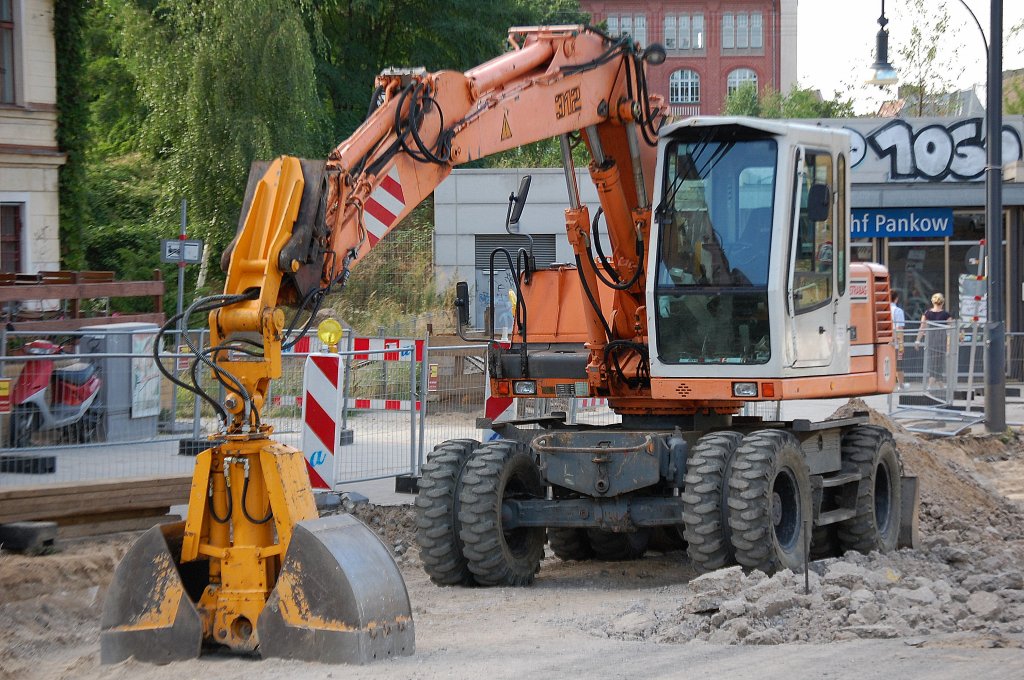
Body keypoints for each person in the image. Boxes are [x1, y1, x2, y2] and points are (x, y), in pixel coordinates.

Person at [915, 292, 953, 389]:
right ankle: (935, 383)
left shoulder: (927, 314)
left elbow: (922, 328)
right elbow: (951, 329)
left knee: (933, 361)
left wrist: (918, 341)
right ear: (943, 302)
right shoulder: (946, 314)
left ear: (933, 302)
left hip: (930, 341)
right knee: (939, 362)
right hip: (941, 341)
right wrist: (950, 343)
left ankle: (935, 383)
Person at [890, 290, 907, 388]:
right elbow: (899, 328)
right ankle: (901, 385)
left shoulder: (882, 309)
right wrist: (901, 344)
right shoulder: (898, 311)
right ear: (896, 299)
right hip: (896, 342)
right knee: (899, 364)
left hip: (885, 342)